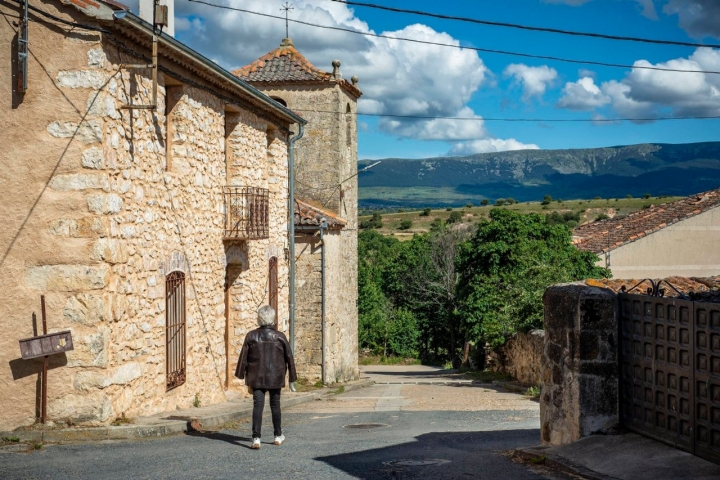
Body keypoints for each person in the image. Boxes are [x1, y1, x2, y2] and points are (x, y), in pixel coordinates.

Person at [235, 305, 297, 449]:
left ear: (259, 318)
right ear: (273, 319)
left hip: (256, 376)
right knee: (275, 405)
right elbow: (289, 357)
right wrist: (292, 377)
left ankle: (256, 438)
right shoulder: (280, 336)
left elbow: (243, 357)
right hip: (276, 376)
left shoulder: (251, 336)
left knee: (258, 405)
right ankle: (278, 435)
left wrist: (241, 374)